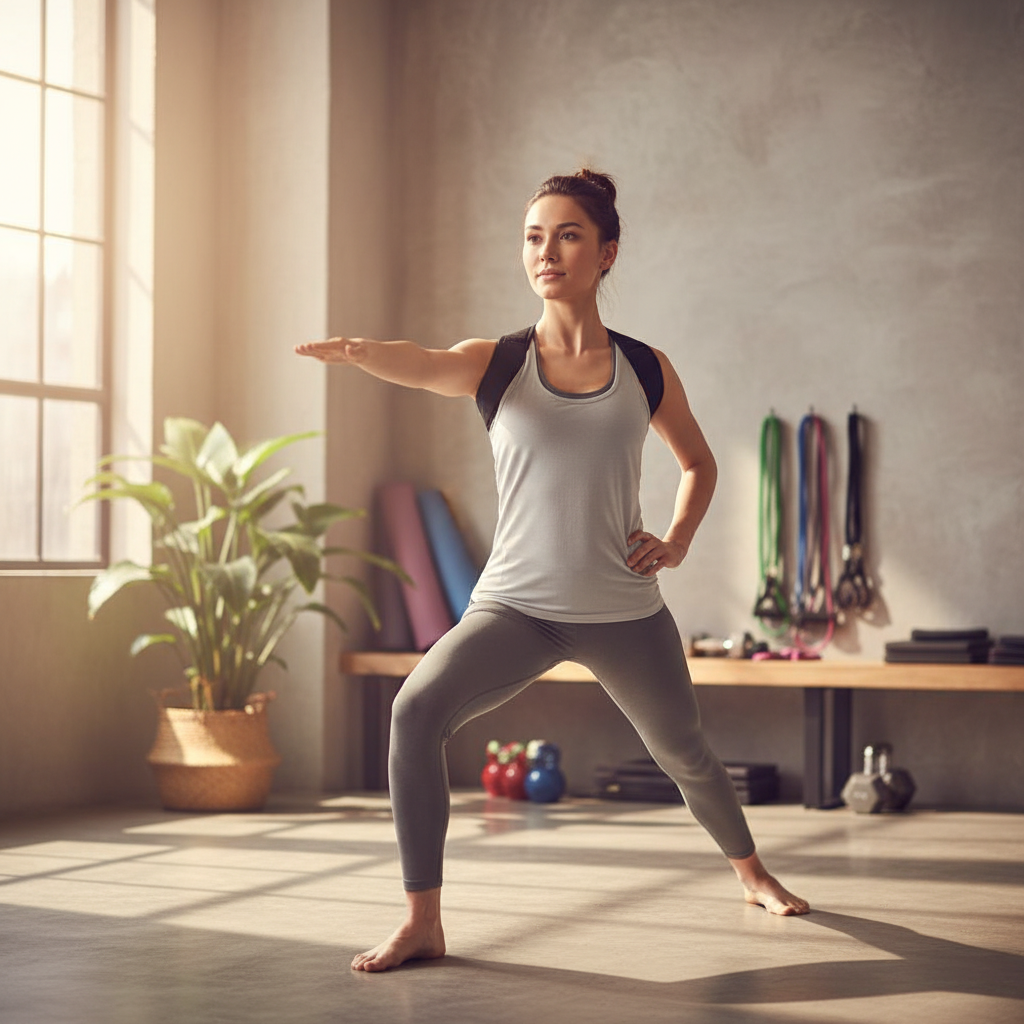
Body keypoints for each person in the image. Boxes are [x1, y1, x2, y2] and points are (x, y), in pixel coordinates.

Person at [295, 169, 810, 973]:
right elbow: (424, 361)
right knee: (414, 713)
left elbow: (700, 463)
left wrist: (675, 539)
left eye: (567, 235)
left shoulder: (644, 367)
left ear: (606, 252)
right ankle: (422, 920)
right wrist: (362, 353)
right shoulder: (497, 364)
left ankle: (752, 874)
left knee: (685, 752)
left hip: (623, 607)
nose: (547, 251)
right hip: (516, 607)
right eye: (534, 237)